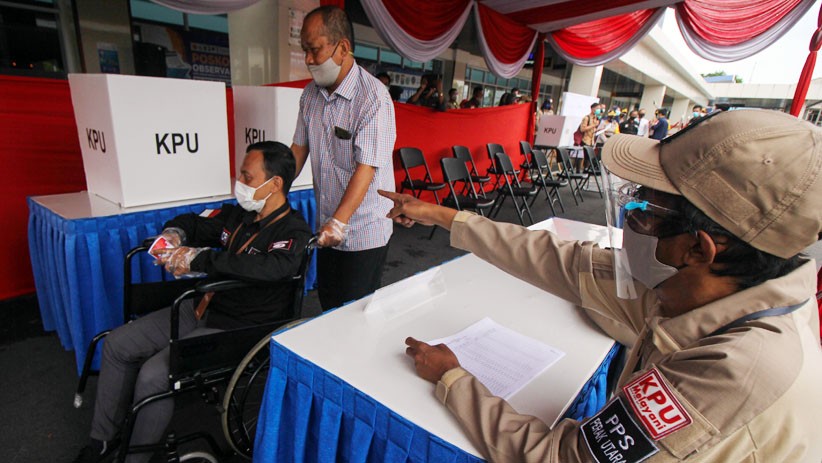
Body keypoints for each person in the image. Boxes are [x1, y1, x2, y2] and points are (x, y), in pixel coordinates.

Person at [380, 109, 822, 462]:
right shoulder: (709, 290)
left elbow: (563, 458)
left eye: (646, 212)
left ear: (698, 249)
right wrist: (441, 215)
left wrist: (453, 378)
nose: (632, 223)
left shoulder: (731, 371)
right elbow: (564, 261)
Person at [73, 142, 313, 463]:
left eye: (247, 175)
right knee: (117, 345)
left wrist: (200, 259)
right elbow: (195, 221)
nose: (239, 182)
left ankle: (135, 457)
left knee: (153, 376)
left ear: (276, 183)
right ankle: (102, 440)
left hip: (239, 326)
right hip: (200, 306)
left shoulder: (293, 230)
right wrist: (174, 236)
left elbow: (273, 268)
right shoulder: (237, 215)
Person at [291, 6, 396, 311]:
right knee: (329, 304)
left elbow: (366, 169)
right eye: (304, 51)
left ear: (343, 48)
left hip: (363, 230)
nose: (309, 60)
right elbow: (298, 148)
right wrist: (274, 186)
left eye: (314, 50)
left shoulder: (373, 98)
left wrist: (339, 221)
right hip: (328, 226)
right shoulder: (310, 95)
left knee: (353, 312)